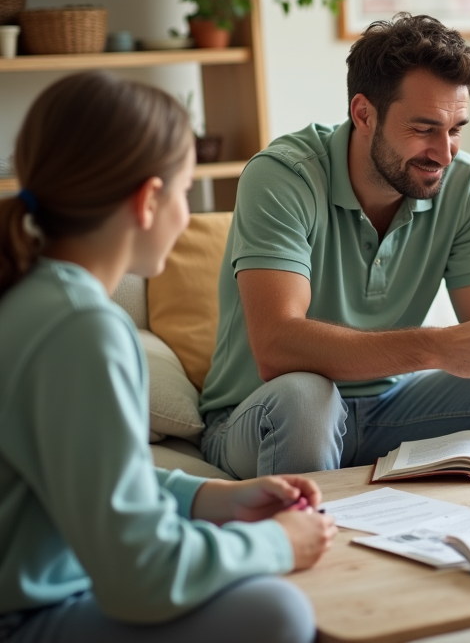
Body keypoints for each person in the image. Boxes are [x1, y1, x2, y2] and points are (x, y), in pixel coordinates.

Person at [0, 72, 337, 642]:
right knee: (278, 612)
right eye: (184, 192)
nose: (187, 216)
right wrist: (279, 543)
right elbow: (143, 576)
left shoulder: (34, 299)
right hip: (27, 619)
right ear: (148, 200)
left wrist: (209, 497)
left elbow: (94, 481)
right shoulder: (82, 328)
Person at [199, 13, 470, 479]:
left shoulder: (464, 182)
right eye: (423, 129)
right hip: (267, 413)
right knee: (307, 398)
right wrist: (435, 347)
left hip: (391, 408)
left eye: (455, 129)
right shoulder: (282, 176)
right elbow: (276, 346)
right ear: (364, 114)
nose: (444, 152)